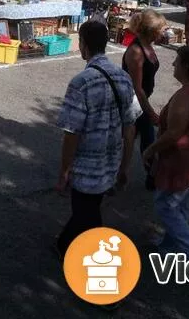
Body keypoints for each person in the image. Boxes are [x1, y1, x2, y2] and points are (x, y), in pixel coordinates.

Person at [55, 21, 136, 259]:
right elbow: (130, 127)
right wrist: (124, 166)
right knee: (88, 210)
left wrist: (64, 170)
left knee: (86, 214)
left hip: (87, 166)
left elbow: (72, 132)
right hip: (110, 161)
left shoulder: (81, 82)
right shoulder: (123, 78)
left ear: (84, 46)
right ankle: (66, 245)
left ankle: (85, 255)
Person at [143, 46, 189, 259]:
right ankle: (171, 245)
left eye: (177, 60)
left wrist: (150, 150)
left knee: (165, 206)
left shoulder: (185, 96)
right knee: (182, 206)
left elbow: (174, 133)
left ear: (187, 66)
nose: (173, 64)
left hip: (181, 161)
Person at [122, 10, 167, 191]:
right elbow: (137, 88)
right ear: (152, 31)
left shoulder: (148, 44)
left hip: (142, 99)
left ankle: (143, 175)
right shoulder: (136, 52)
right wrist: (150, 112)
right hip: (133, 101)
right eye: (162, 29)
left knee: (138, 138)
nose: (165, 32)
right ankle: (150, 176)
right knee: (145, 138)